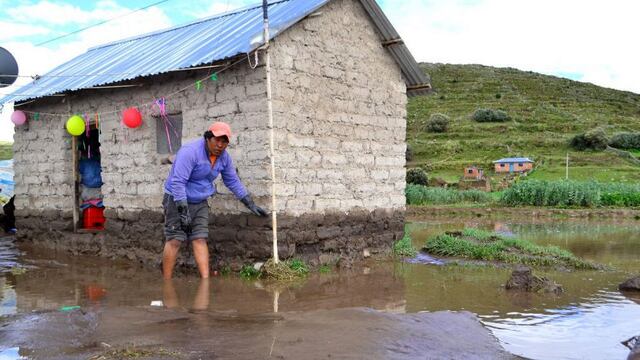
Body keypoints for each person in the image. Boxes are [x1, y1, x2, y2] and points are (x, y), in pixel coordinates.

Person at [162, 121, 267, 279]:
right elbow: (178, 183)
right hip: (177, 199)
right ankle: (167, 281)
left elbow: (232, 180)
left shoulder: (224, 158)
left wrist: (249, 202)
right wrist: (183, 213)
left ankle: (205, 281)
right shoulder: (190, 152)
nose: (220, 145)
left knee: (199, 238)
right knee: (175, 239)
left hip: (200, 200)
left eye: (224, 141)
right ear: (207, 138)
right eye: (217, 140)